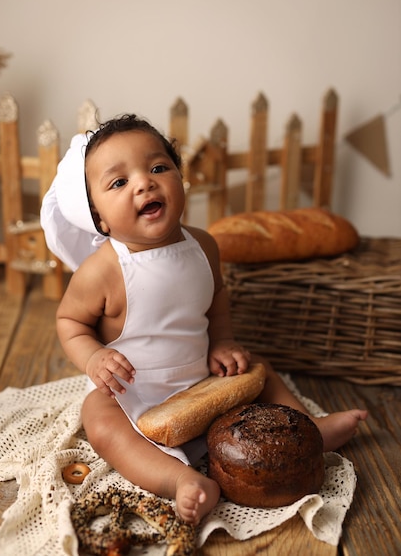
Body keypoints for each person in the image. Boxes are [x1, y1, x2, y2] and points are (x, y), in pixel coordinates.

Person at [50, 114, 367, 526]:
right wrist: (94, 359)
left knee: (258, 369)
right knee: (98, 417)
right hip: (136, 394)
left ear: (181, 179)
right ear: (101, 219)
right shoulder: (102, 271)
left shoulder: (203, 245)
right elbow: (69, 323)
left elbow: (215, 297)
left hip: (205, 382)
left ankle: (308, 434)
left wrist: (223, 342)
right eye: (119, 182)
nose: (144, 183)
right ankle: (178, 479)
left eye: (158, 167)